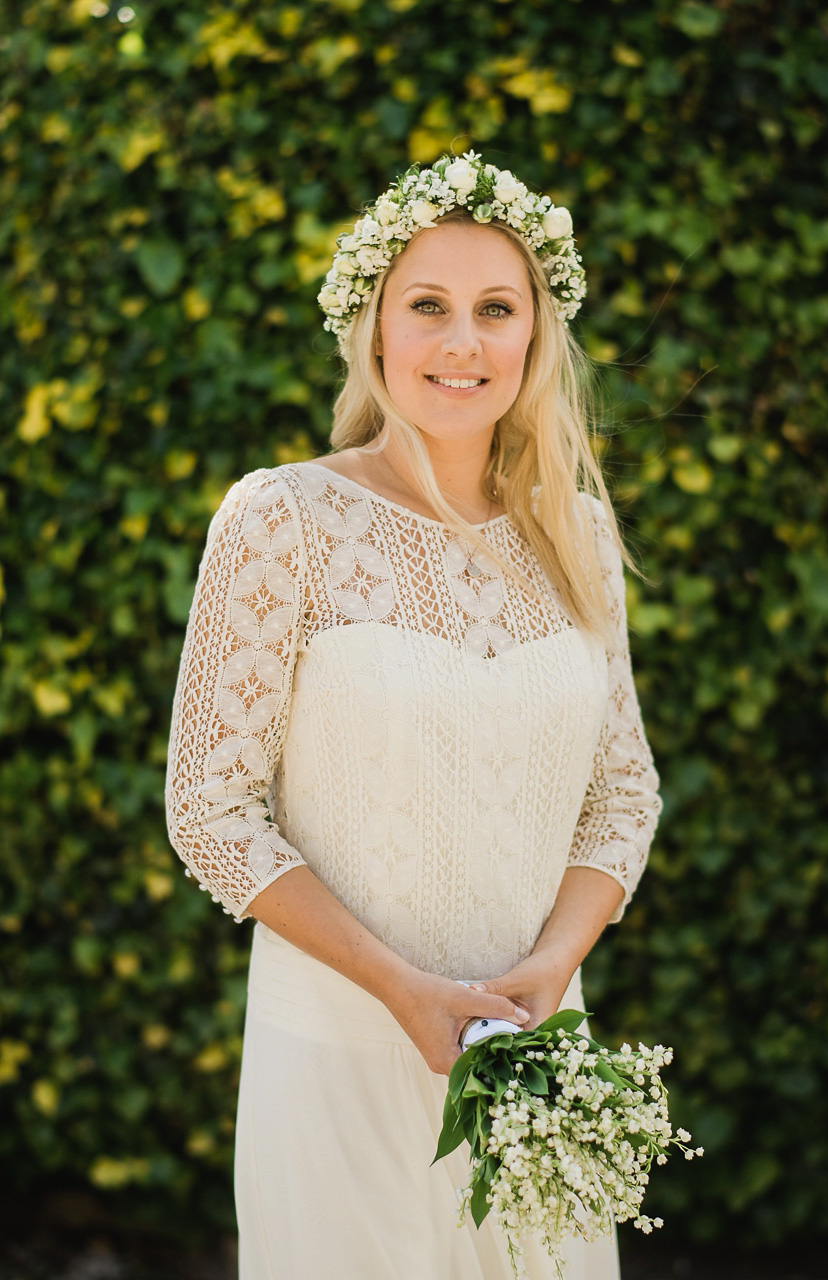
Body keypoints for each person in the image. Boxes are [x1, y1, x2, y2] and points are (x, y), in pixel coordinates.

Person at [164, 151, 663, 1280]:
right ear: (374, 328)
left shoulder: (577, 535)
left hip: (536, 1071)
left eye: (496, 309)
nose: (461, 342)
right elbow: (209, 806)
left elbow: (621, 792)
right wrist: (404, 988)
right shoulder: (282, 516)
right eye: (428, 306)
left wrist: (550, 967)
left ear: (536, 336)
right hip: (336, 1058)